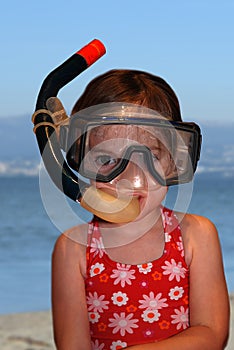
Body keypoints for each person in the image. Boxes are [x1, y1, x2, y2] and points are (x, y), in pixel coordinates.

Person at [51, 69, 230, 349]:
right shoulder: (73, 249)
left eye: (150, 156)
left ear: (174, 162)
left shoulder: (195, 236)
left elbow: (211, 334)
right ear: (80, 161)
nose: (129, 175)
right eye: (108, 158)